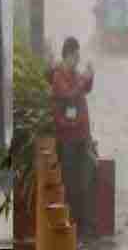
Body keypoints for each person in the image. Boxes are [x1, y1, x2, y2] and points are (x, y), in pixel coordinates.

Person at [50, 36, 96, 236]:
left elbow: (86, 88)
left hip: (81, 136)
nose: (78, 59)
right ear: (67, 55)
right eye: (75, 55)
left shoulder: (76, 74)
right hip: (67, 138)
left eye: (78, 55)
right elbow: (69, 94)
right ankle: (69, 227)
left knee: (82, 181)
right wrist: (84, 78)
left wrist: (90, 76)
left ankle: (82, 225)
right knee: (69, 183)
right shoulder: (59, 77)